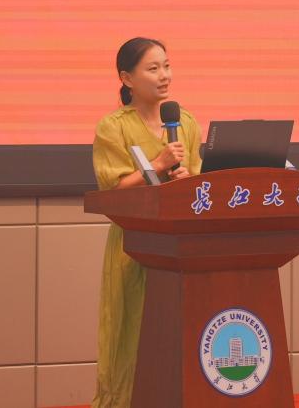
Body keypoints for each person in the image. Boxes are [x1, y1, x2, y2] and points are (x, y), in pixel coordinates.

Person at [91, 37, 202, 408]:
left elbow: (197, 184)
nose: (164, 75)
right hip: (133, 246)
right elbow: (113, 188)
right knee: (130, 333)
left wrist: (187, 179)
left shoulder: (185, 122)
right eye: (153, 69)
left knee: (177, 332)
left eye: (167, 66)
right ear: (127, 78)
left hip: (179, 246)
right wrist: (156, 166)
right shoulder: (112, 127)